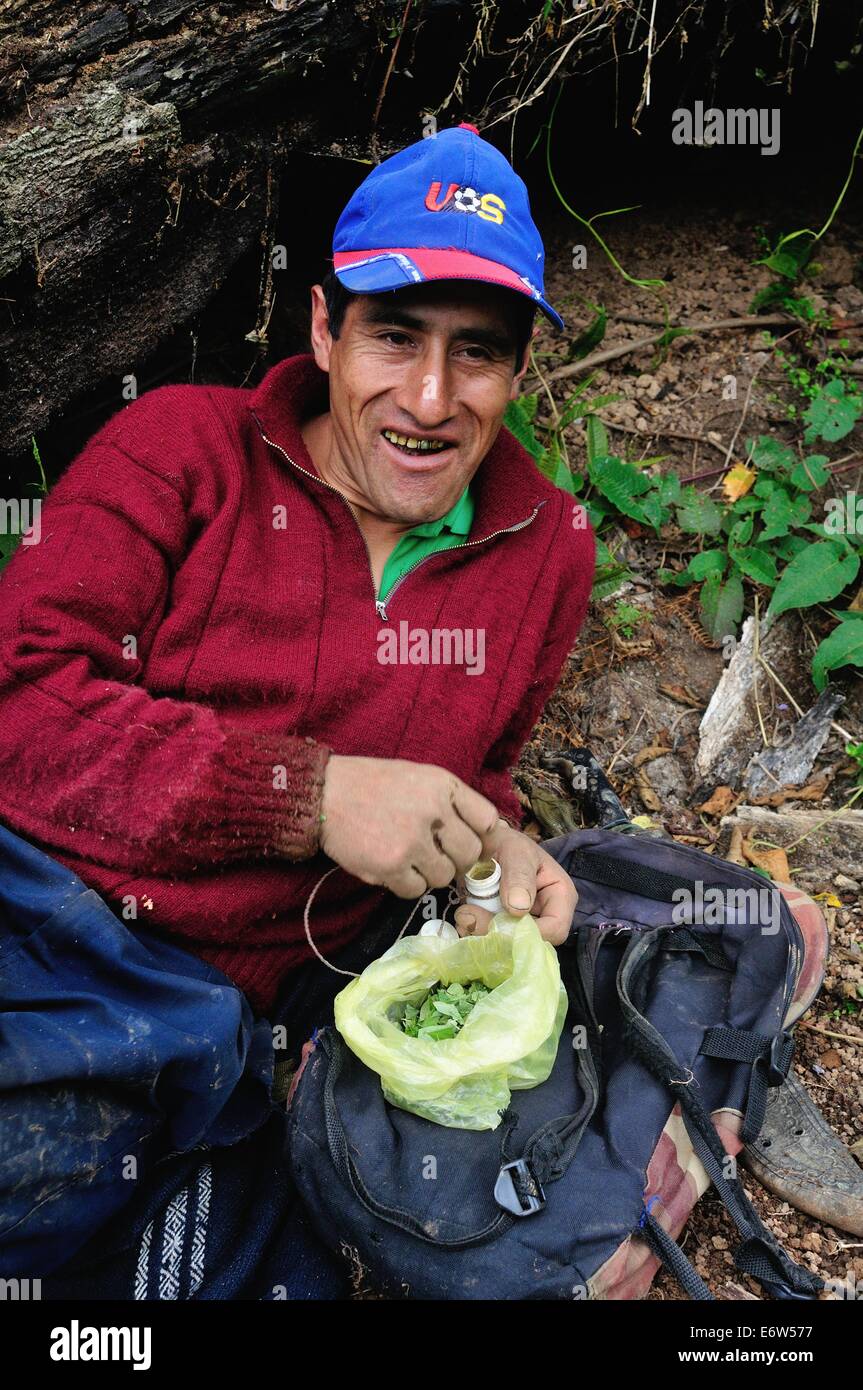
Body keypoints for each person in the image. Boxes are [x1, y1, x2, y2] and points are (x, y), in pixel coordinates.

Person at [0, 122, 596, 1295]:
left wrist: (493, 855)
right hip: (45, 929)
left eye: (476, 354)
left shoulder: (547, 550)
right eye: (393, 336)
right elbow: (19, 706)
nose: (429, 398)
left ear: (519, 370)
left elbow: (471, 774)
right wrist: (306, 794)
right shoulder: (179, 448)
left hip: (253, 1028)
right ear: (322, 328)